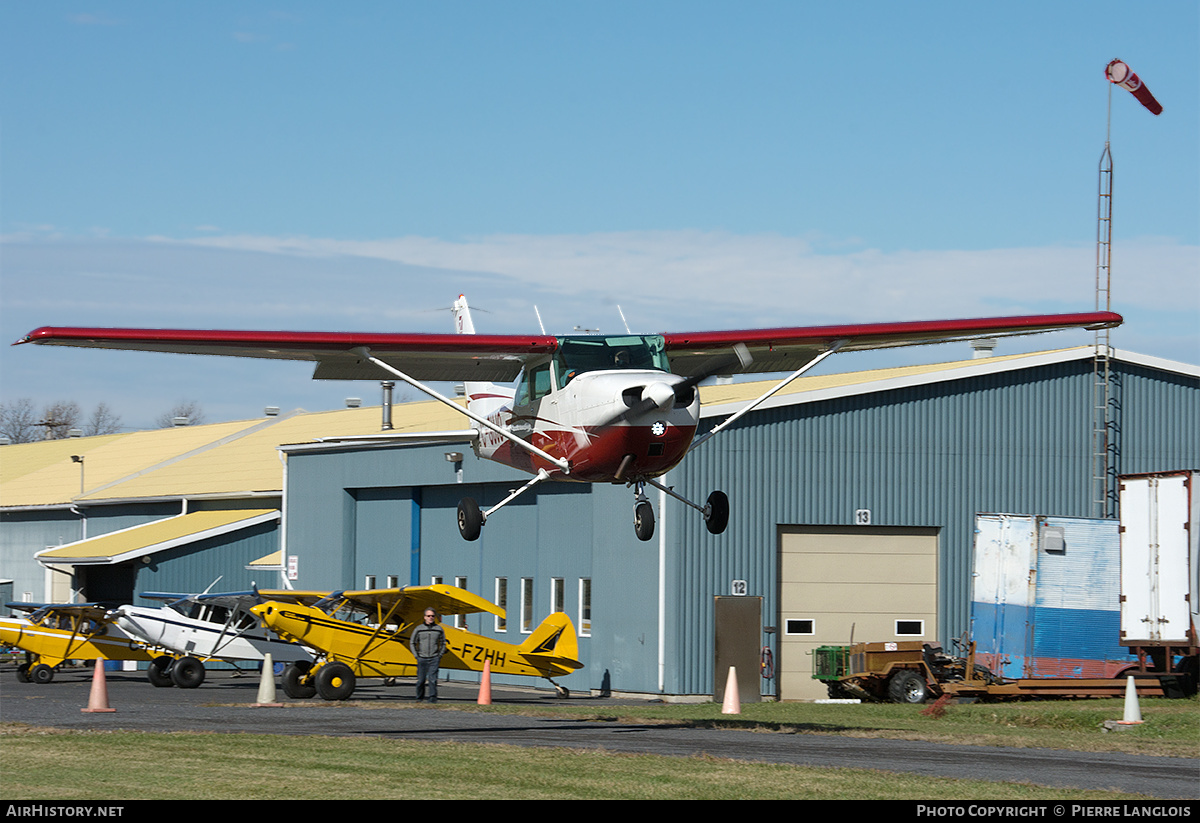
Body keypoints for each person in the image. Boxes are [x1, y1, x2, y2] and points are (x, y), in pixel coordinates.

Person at [410, 608, 446, 702]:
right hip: (422, 658)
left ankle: (433, 699)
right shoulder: (419, 629)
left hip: (434, 658)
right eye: (428, 616)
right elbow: (412, 642)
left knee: (433, 680)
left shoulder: (438, 629)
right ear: (424, 617)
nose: (430, 618)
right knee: (420, 680)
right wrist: (416, 655)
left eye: (432, 616)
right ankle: (419, 698)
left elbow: (443, 643)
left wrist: (439, 655)